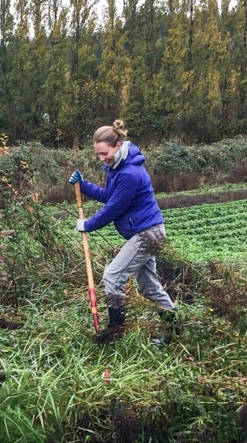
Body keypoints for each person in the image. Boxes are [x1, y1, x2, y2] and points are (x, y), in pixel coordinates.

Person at [69, 119, 179, 344]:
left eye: (104, 153)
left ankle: (115, 331)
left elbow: (113, 208)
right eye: (98, 154)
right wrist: (84, 184)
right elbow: (109, 196)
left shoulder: (130, 173)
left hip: (148, 233)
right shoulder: (116, 167)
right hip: (143, 231)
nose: (102, 158)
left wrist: (88, 225)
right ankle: (173, 330)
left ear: (118, 145)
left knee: (112, 276)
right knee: (149, 287)